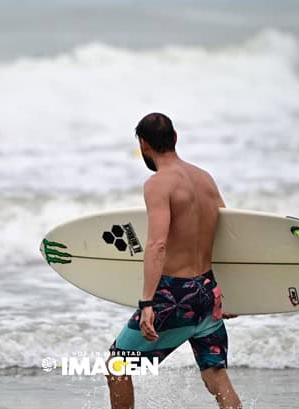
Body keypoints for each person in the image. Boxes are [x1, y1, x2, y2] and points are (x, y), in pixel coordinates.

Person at [106, 113, 241, 409]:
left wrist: (147, 303)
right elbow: (227, 235)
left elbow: (157, 244)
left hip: (174, 294)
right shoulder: (204, 178)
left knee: (117, 366)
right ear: (175, 138)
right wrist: (226, 294)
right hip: (207, 289)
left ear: (144, 145)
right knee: (215, 375)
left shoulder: (158, 184)